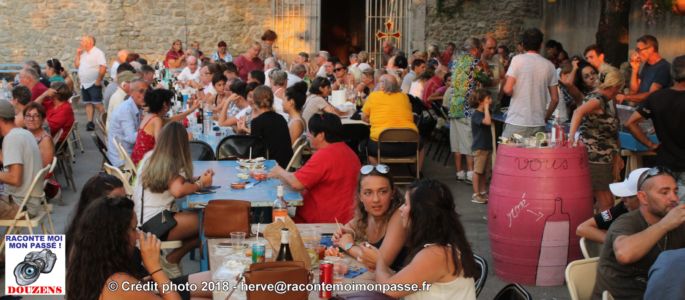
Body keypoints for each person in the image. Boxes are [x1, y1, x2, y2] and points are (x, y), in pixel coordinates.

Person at [374, 179, 478, 299]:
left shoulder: (435, 255)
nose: (401, 209)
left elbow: (388, 290)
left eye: (406, 204)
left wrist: (379, 260)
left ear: (420, 213)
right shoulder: (444, 244)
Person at [134, 122, 214, 277]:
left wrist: (195, 179)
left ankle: (171, 260)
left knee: (203, 226)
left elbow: (172, 182)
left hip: (142, 221)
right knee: (209, 224)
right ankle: (172, 260)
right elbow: (178, 190)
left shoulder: (151, 156)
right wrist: (201, 183)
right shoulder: (172, 161)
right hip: (155, 224)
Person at [591, 167, 685, 299]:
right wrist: (665, 225)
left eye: (675, 191)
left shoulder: (677, 221)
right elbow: (624, 254)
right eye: (664, 193)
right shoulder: (624, 220)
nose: (674, 198)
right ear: (643, 197)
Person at [269, 112, 360, 223]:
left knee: (274, 217)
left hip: (323, 220)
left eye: (310, 132)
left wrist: (279, 171)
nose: (307, 135)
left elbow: (297, 183)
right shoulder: (350, 152)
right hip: (346, 218)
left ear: (321, 135)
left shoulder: (325, 155)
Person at [626, 55, 685, 201]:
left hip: (665, 162)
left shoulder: (657, 97)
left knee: (667, 209)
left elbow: (630, 123)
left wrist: (650, 144)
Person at [333, 164, 408, 271]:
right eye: (368, 193)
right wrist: (347, 233)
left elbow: (381, 261)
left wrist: (349, 247)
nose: (376, 199)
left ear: (392, 193)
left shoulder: (400, 215)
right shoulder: (367, 214)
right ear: (360, 197)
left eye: (383, 192)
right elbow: (349, 226)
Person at [569, 69, 624, 212]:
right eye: (619, 87)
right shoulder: (597, 99)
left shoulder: (606, 101)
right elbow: (578, 112)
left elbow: (613, 132)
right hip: (596, 159)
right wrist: (571, 139)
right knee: (607, 203)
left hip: (604, 158)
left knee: (603, 202)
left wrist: (617, 154)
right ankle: (601, 229)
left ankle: (596, 227)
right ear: (614, 86)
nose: (619, 91)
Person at [502, 28, 559, 138]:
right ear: (541, 44)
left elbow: (508, 89)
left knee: (509, 154)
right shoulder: (549, 66)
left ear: (523, 44)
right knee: (534, 155)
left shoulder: (517, 60)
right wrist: (545, 118)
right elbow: (555, 99)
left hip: (517, 121)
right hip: (538, 124)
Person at [449, 37, 487, 183]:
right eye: (481, 50)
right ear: (475, 50)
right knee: (470, 142)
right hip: (467, 107)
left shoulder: (456, 62)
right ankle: (471, 174)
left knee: (457, 142)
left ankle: (459, 172)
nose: (480, 53)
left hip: (454, 107)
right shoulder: (473, 63)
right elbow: (485, 79)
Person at [576, 168, 648, 244]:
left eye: (627, 196)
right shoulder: (623, 206)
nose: (623, 199)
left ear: (643, 197)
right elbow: (582, 228)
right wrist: (616, 243)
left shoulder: (660, 214)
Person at [362, 74, 420, 166]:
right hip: (409, 144)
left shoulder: (373, 96)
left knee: (367, 149)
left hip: (381, 146)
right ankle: (418, 173)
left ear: (382, 85)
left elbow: (364, 117)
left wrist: (370, 120)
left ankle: (379, 173)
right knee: (422, 144)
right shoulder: (404, 97)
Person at [0, 100, 44, 218]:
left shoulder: (12, 139)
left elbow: (15, 179)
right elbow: (15, 161)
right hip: (30, 200)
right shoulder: (23, 133)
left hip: (21, 205)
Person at [237, 86, 293, 168]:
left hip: (269, 165)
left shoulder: (257, 122)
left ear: (255, 101)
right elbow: (270, 136)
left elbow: (255, 151)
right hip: (285, 163)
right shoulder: (280, 118)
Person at [616, 35, 672, 103]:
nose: (637, 53)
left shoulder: (663, 67)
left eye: (639, 50)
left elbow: (652, 95)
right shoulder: (647, 65)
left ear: (651, 49)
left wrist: (625, 97)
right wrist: (635, 69)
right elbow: (633, 92)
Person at [107, 79, 148, 167]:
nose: (144, 95)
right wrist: (147, 126)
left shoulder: (135, 106)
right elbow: (131, 138)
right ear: (131, 93)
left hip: (128, 152)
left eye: (146, 92)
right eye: (141, 92)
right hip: (123, 161)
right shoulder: (126, 110)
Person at [75, 35, 107, 131]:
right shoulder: (83, 54)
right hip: (84, 83)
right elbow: (77, 66)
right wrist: (78, 55)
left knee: (98, 104)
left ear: (90, 42)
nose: (81, 43)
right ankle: (90, 122)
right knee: (88, 103)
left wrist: (98, 80)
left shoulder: (98, 53)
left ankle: (106, 122)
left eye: (83, 41)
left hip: (93, 83)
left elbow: (103, 67)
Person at [468, 89, 492, 204]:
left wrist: (487, 109)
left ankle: (482, 192)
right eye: (488, 99)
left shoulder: (483, 113)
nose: (490, 101)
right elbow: (487, 122)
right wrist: (486, 108)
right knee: (478, 171)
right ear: (481, 101)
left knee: (484, 171)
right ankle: (476, 194)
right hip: (480, 147)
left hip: (486, 146)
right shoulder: (477, 114)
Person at [23, 102, 54, 168]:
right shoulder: (26, 134)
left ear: (42, 120)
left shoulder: (45, 140)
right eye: (28, 115)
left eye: (36, 116)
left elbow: (45, 168)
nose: (31, 119)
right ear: (24, 119)